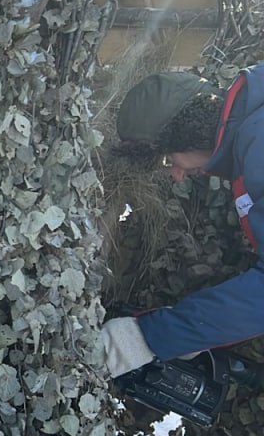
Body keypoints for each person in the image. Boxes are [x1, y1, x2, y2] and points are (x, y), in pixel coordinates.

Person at [102, 66, 264, 379]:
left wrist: (147, 338)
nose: (176, 175)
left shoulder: (258, 143)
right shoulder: (251, 132)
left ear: (186, 133)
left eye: (168, 160)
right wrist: (199, 330)